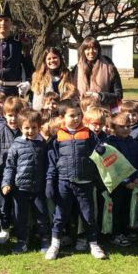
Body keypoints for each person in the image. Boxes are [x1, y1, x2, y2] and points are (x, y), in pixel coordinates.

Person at [44, 100, 107, 261]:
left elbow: (98, 149)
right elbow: (52, 162)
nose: (77, 118)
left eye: (79, 114)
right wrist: (50, 182)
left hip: (85, 182)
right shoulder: (57, 137)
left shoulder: (88, 133)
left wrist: (100, 149)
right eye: (72, 115)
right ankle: (55, 244)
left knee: (88, 215)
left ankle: (93, 244)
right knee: (60, 215)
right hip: (64, 182)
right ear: (62, 117)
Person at [1, 109, 51, 254]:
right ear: (20, 127)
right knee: (20, 217)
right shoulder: (16, 145)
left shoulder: (43, 144)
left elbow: (48, 165)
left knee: (41, 215)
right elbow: (10, 166)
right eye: (26, 128)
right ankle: (22, 241)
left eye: (34, 127)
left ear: (39, 127)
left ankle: (44, 239)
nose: (30, 131)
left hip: (38, 188)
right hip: (20, 188)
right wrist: (6, 183)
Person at [0, 96, 25, 244]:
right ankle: (4, 228)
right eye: (10, 115)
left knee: (19, 204)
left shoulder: (25, 130)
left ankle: (20, 228)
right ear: (4, 115)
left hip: (22, 173)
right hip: (3, 173)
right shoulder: (0, 129)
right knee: (4, 203)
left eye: (16, 115)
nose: (13, 119)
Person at [106, 113, 138, 247]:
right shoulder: (110, 143)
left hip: (133, 182)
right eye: (121, 127)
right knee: (117, 209)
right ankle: (116, 234)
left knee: (128, 208)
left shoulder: (132, 141)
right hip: (118, 184)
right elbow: (112, 165)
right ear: (113, 127)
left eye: (128, 126)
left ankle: (126, 231)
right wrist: (125, 181)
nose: (126, 129)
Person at [71, 36, 123, 112]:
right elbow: (71, 92)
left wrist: (100, 96)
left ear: (98, 50)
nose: (91, 51)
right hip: (81, 113)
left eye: (94, 48)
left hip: (104, 113)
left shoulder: (109, 67)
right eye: (87, 49)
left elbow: (118, 94)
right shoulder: (77, 68)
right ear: (83, 51)